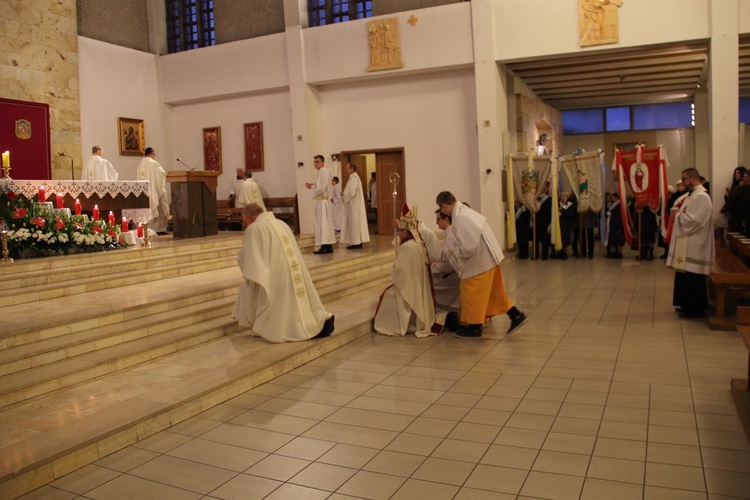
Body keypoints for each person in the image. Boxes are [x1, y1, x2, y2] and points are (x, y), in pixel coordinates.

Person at [233, 203, 335, 342]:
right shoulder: (281, 224)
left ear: (250, 217)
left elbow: (249, 258)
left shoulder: (255, 228)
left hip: (276, 274)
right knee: (293, 304)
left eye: (245, 220)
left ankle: (272, 326)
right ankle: (318, 320)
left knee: (255, 291)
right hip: (291, 271)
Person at [435, 191, 527, 338]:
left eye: (441, 209)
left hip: (480, 261)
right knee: (493, 292)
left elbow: (469, 246)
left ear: (444, 205)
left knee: (469, 289)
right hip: (487, 259)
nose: (442, 211)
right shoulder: (464, 212)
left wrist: (457, 252)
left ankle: (474, 327)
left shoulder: (461, 217)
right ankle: (515, 315)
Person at [373, 204, 436, 337]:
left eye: (399, 232)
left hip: (409, 286)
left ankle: (396, 325)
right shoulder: (416, 243)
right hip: (416, 284)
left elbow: (399, 270)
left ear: (406, 232)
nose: (398, 234)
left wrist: (394, 268)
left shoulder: (408, 247)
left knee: (388, 296)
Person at [667, 168, 715, 319]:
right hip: (688, 242)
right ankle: (686, 305)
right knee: (686, 276)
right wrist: (679, 214)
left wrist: (678, 215)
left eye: (684, 179)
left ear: (693, 178)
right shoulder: (692, 195)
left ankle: (695, 309)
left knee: (694, 278)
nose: (682, 182)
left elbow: (694, 220)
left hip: (695, 243)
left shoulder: (702, 197)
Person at [305, 155, 336, 254]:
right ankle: (328, 246)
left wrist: (311, 187)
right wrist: (314, 186)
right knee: (325, 225)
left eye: (317, 162)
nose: (315, 164)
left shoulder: (322, 171)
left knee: (322, 225)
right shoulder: (324, 172)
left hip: (322, 202)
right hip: (323, 201)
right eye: (314, 162)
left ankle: (325, 246)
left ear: (322, 162)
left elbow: (321, 188)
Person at [136, 147, 169, 233]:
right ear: (152, 153)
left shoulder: (140, 164)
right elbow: (161, 175)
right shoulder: (154, 163)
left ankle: (147, 230)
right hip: (153, 189)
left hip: (144, 192)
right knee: (159, 201)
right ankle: (159, 229)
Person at [340, 163, 370, 249]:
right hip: (352, 205)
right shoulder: (352, 178)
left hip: (354, 206)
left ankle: (357, 243)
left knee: (354, 224)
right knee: (354, 224)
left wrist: (344, 195)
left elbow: (351, 192)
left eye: (347, 168)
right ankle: (356, 242)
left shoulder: (353, 179)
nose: (345, 170)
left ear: (352, 169)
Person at [534, 183, 552, 260]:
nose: (545, 188)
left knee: (544, 238)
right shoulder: (536, 197)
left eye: (546, 187)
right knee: (535, 238)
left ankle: (544, 254)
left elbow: (546, 208)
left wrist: (538, 203)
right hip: (535, 219)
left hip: (544, 220)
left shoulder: (548, 198)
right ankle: (535, 254)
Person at [557, 192, 576, 260]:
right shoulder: (557, 204)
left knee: (565, 238)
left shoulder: (570, 205)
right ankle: (559, 252)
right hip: (558, 223)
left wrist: (563, 210)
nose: (563, 198)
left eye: (565, 197)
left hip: (566, 223)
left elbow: (572, 214)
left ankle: (565, 252)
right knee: (559, 237)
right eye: (562, 196)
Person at [605, 192, 624, 259]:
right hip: (612, 225)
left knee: (619, 240)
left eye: (615, 197)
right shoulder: (614, 205)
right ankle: (613, 253)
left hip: (617, 225)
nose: (614, 199)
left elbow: (619, 216)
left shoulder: (619, 205)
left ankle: (619, 253)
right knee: (613, 240)